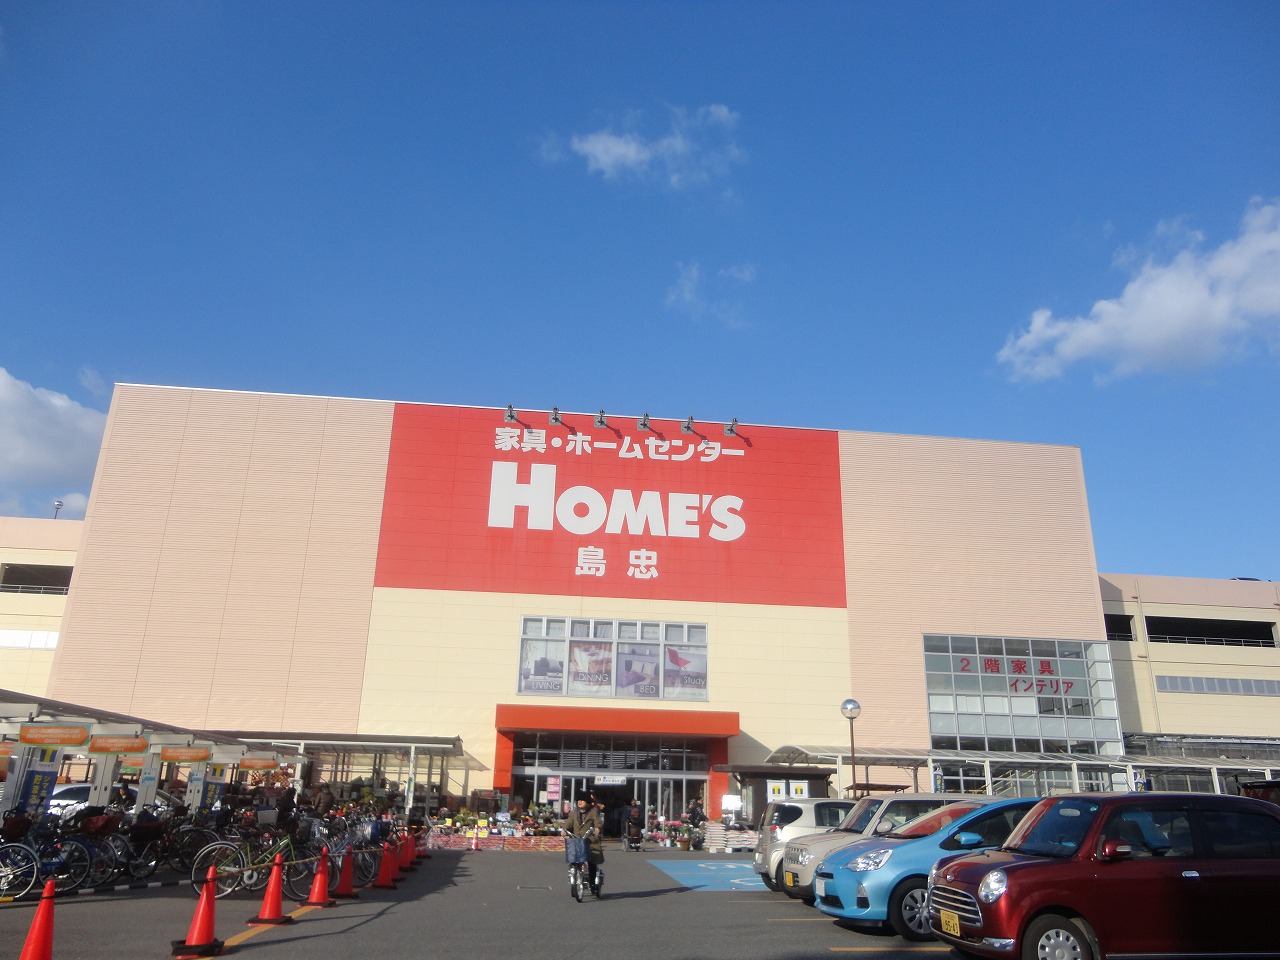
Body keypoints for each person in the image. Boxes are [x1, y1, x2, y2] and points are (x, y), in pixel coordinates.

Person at [565, 795, 605, 895]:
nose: (580, 802)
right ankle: (574, 877)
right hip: (577, 840)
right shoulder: (574, 812)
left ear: (587, 802)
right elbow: (568, 823)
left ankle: (592, 883)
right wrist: (564, 830)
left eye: (582, 800)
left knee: (592, 862)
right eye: (578, 800)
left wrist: (597, 828)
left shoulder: (594, 811)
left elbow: (598, 823)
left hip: (590, 839)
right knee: (574, 859)